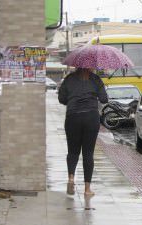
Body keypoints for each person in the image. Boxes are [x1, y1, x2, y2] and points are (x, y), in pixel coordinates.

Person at [58, 68, 108, 196]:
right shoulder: (96, 79)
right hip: (91, 117)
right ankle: (87, 189)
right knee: (88, 153)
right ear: (90, 66)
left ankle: (71, 178)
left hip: (73, 117)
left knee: (73, 151)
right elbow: (104, 99)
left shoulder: (69, 79)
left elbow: (62, 99)